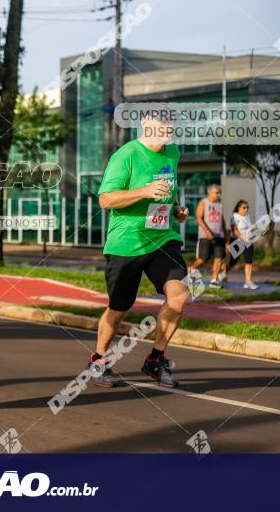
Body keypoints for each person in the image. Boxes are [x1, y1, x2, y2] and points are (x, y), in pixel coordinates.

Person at [91, 111, 190, 388]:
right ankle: (98, 359)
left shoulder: (173, 153)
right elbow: (105, 199)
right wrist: (144, 191)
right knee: (119, 308)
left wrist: (177, 210)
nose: (169, 128)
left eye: (171, 123)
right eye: (162, 123)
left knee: (179, 297)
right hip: (127, 243)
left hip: (162, 240)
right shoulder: (126, 156)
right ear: (146, 125)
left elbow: (169, 189)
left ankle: (155, 359)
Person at [189, 184, 227, 288]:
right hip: (205, 236)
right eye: (217, 192)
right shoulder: (203, 203)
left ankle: (214, 280)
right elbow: (198, 218)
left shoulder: (219, 205)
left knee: (218, 257)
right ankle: (192, 270)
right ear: (210, 192)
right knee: (202, 259)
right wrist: (207, 232)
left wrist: (225, 235)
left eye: (220, 193)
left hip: (219, 236)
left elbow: (222, 221)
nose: (219, 195)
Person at [224, 199, 258, 290]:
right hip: (236, 240)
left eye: (247, 207)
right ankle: (222, 274)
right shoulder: (234, 217)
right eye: (244, 207)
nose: (246, 209)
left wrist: (252, 236)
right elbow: (235, 231)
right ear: (238, 207)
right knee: (233, 261)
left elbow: (250, 228)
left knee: (249, 260)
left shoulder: (247, 216)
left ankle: (248, 281)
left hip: (248, 241)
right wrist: (244, 238)